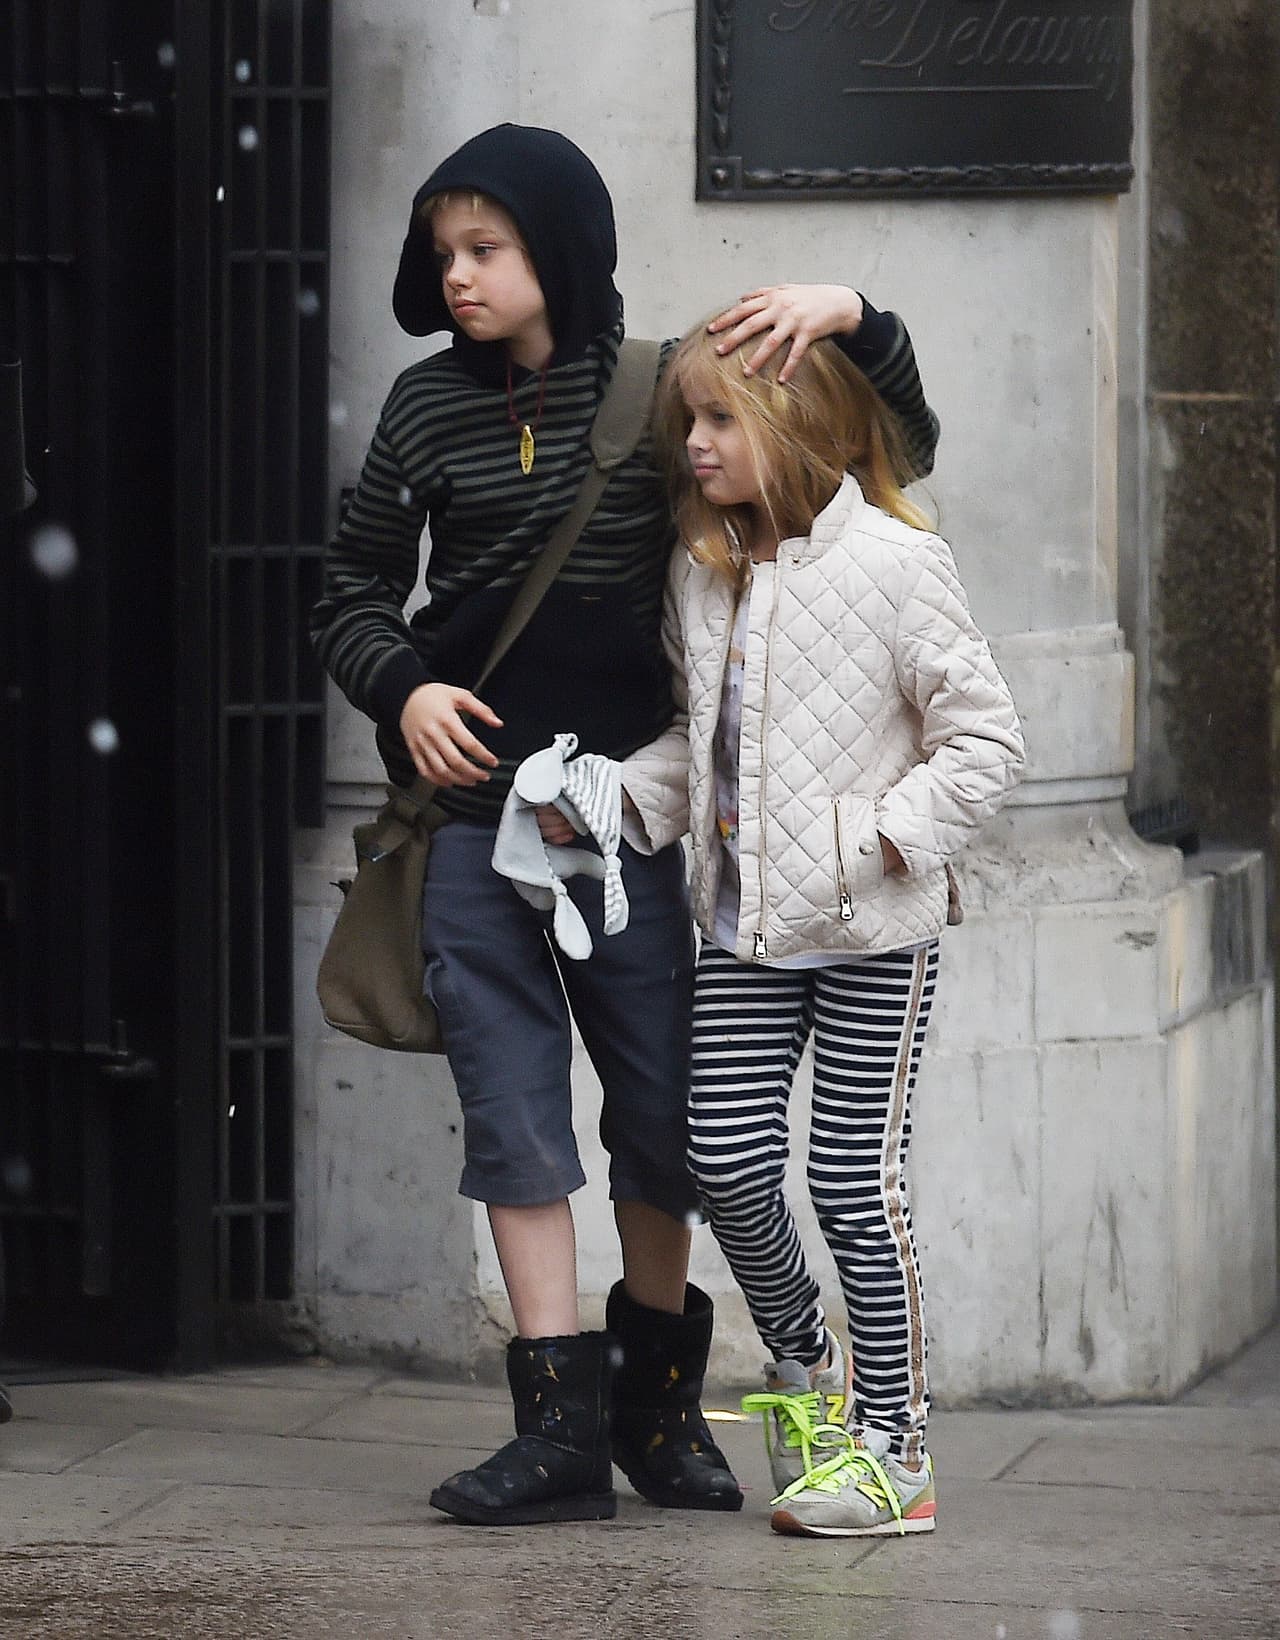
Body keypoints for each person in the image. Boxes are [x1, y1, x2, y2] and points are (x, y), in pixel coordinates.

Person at [310, 121, 940, 1528]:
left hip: (639, 822)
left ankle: (663, 1408)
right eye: (441, 254)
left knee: (666, 1115)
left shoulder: (667, 391)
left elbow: (884, 441)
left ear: (562, 248)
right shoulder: (422, 410)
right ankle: (557, 1428)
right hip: (474, 819)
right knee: (513, 1112)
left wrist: (857, 314)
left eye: (487, 249)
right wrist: (404, 687)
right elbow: (346, 588)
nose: (457, 276)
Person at [617, 320, 1024, 1538]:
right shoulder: (702, 567)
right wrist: (609, 800)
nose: (692, 441)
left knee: (853, 1182)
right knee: (728, 1165)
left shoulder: (899, 563)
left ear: (796, 429)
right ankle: (806, 1366)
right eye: (687, 418)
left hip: (871, 937)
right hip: (742, 934)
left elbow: (987, 746)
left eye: (720, 418)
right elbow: (707, 749)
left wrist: (868, 842)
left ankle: (895, 1454)